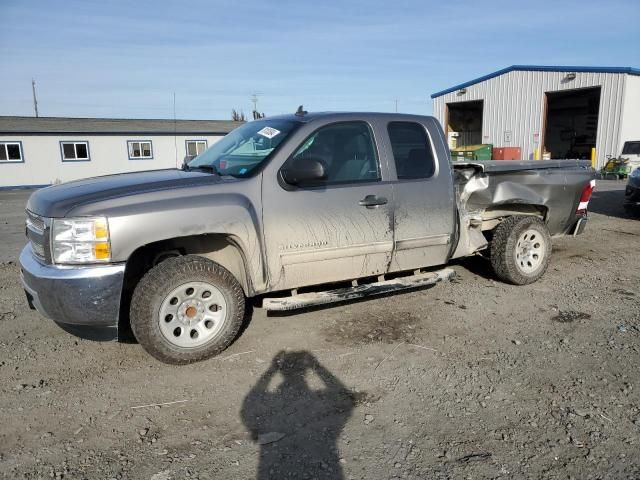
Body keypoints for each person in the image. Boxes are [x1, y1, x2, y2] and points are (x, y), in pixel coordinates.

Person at [241, 350, 355, 479]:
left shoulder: (273, 405)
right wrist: (316, 366)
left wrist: (271, 370)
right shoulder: (316, 403)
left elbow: (251, 402)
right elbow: (346, 401)